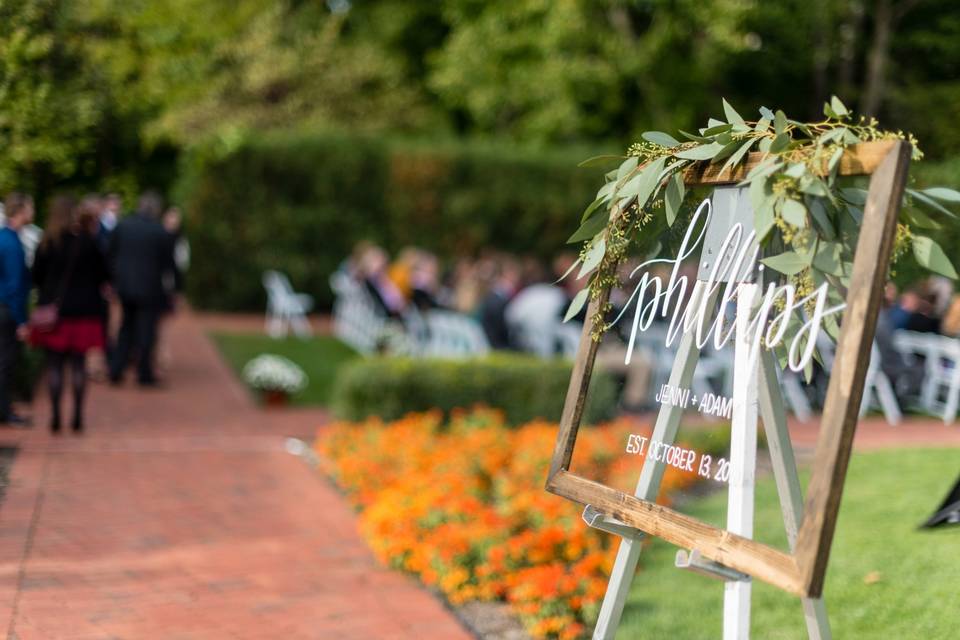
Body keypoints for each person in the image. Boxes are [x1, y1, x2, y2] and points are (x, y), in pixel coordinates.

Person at [30, 197, 109, 433]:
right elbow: (104, 275)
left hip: (55, 314)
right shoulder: (88, 242)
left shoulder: (47, 242)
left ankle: (55, 416)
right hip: (84, 312)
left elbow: (36, 277)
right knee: (78, 365)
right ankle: (77, 416)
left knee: (54, 366)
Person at [109, 191, 177, 386]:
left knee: (125, 328)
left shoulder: (123, 226)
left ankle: (116, 369)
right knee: (146, 332)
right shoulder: (160, 231)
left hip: (125, 287)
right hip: (149, 289)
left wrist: (116, 278)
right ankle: (144, 373)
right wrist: (174, 289)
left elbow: (110, 255)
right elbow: (169, 264)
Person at [0, 193, 34, 427]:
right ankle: (4, 411)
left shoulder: (5, 238)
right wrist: (21, 320)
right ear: (20, 210)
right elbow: (14, 286)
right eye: (30, 206)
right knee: (6, 363)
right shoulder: (12, 243)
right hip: (6, 310)